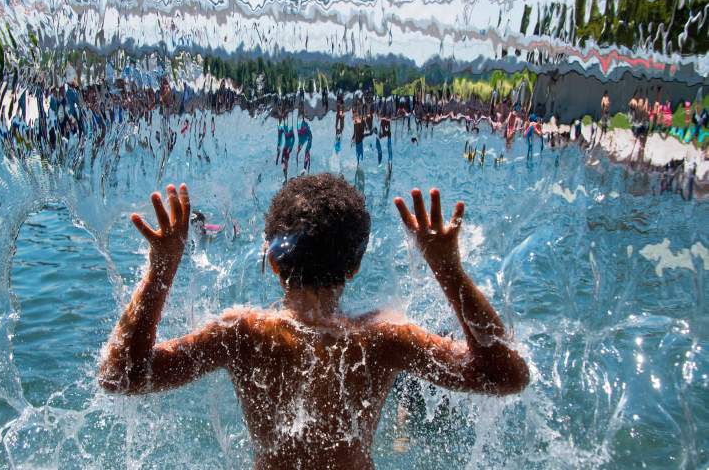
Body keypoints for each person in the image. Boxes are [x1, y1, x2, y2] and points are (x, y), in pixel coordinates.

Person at [99, 178, 529, 469]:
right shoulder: (382, 338)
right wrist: (448, 270)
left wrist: (161, 271)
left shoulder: (241, 335)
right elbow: (506, 375)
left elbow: (121, 376)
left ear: (271, 261)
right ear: (355, 267)